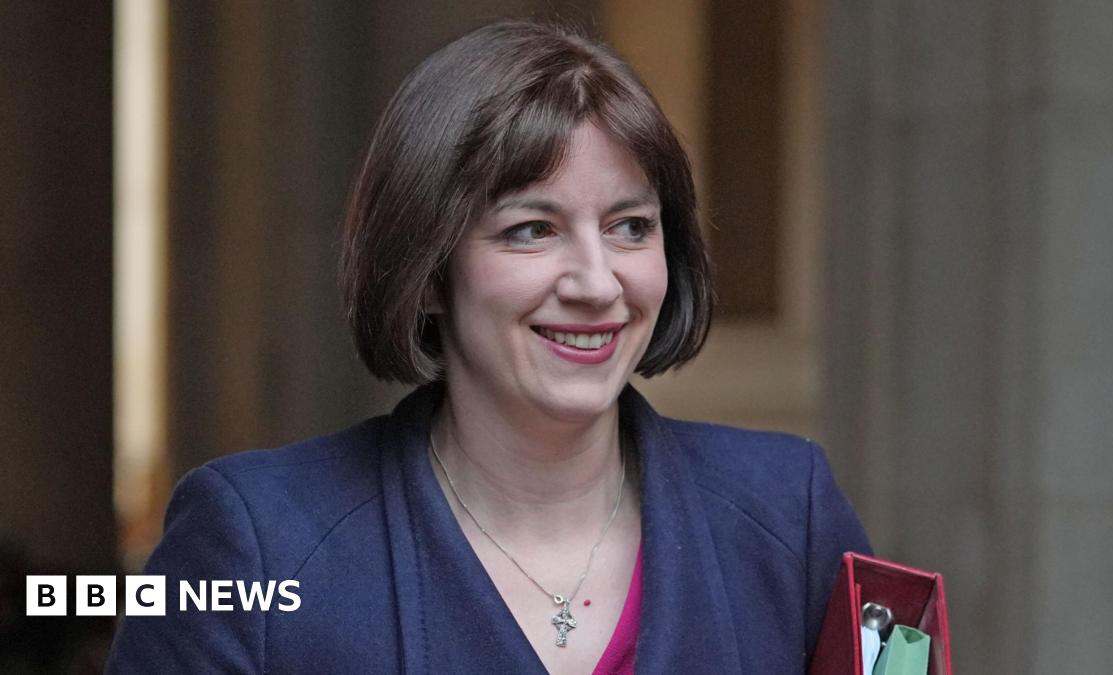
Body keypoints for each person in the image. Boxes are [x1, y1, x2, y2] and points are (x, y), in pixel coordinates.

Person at [107, 19, 870, 674]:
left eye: (630, 226)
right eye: (531, 230)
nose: (597, 281)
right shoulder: (255, 542)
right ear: (430, 268)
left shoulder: (787, 515)